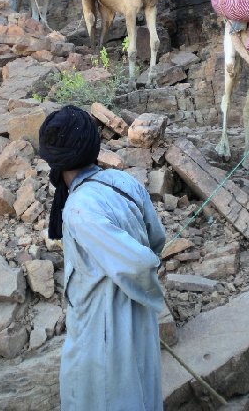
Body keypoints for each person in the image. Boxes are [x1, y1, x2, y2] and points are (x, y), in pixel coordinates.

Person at [38, 105, 166, 411]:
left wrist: (137, 282)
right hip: (138, 315)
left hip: (103, 328)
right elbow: (157, 240)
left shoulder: (79, 207)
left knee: (104, 396)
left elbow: (139, 263)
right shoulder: (124, 182)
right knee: (142, 390)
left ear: (55, 161)